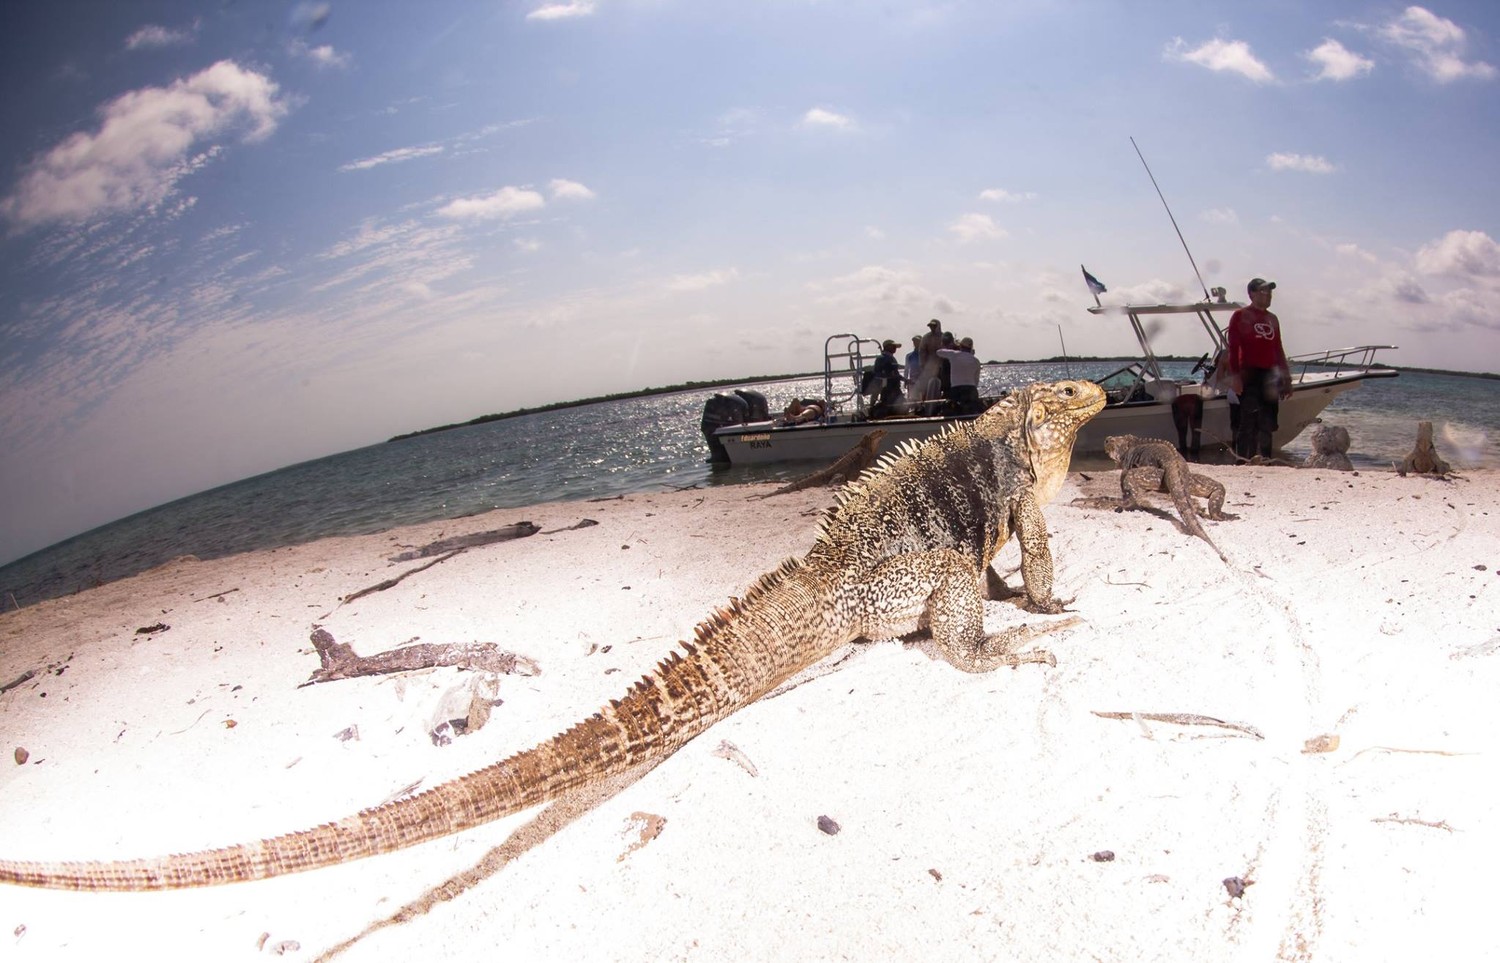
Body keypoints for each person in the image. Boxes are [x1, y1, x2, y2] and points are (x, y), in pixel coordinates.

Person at [1223, 277, 1291, 459]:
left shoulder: (1272, 319)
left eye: (1269, 292)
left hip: (1270, 375)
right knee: (1248, 421)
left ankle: (1266, 460)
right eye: (1263, 291)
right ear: (1252, 294)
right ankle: (1244, 460)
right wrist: (1235, 377)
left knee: (1267, 422)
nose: (1268, 295)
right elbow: (1233, 348)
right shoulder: (1240, 315)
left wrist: (1287, 379)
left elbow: (1278, 349)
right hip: (1249, 373)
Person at [936, 336, 982, 414]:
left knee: (956, 411)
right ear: (971, 348)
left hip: (957, 389)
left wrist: (953, 347)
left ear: (960, 346)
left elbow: (938, 352)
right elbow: (976, 380)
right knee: (972, 411)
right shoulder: (976, 361)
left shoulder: (954, 354)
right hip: (971, 389)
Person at [912, 319, 945, 406]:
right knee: (926, 388)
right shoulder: (926, 337)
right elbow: (922, 352)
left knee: (943, 386)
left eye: (934, 326)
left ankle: (941, 404)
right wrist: (922, 365)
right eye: (931, 326)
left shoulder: (944, 337)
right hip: (928, 367)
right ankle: (924, 406)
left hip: (942, 367)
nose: (932, 328)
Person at [869, 340, 906, 417]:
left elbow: (896, 373)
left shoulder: (892, 358)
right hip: (887, 388)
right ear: (887, 347)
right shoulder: (881, 358)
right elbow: (878, 374)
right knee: (890, 404)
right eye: (893, 346)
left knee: (902, 404)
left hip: (895, 387)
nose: (895, 348)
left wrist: (905, 380)